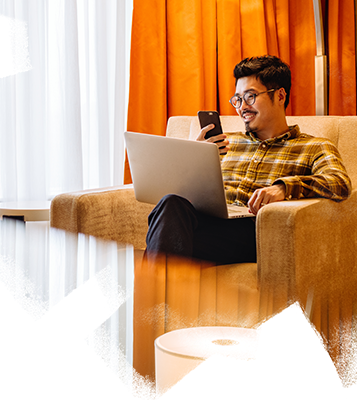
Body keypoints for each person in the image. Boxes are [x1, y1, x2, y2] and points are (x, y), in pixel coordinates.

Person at [145, 55, 352, 264]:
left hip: (254, 234)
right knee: (170, 207)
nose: (242, 107)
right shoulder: (223, 142)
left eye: (250, 96)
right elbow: (183, 194)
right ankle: (157, 292)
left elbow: (339, 182)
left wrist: (283, 188)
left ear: (280, 96)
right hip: (207, 226)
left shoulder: (313, 146)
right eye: (238, 99)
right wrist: (193, 157)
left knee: (164, 238)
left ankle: (151, 291)